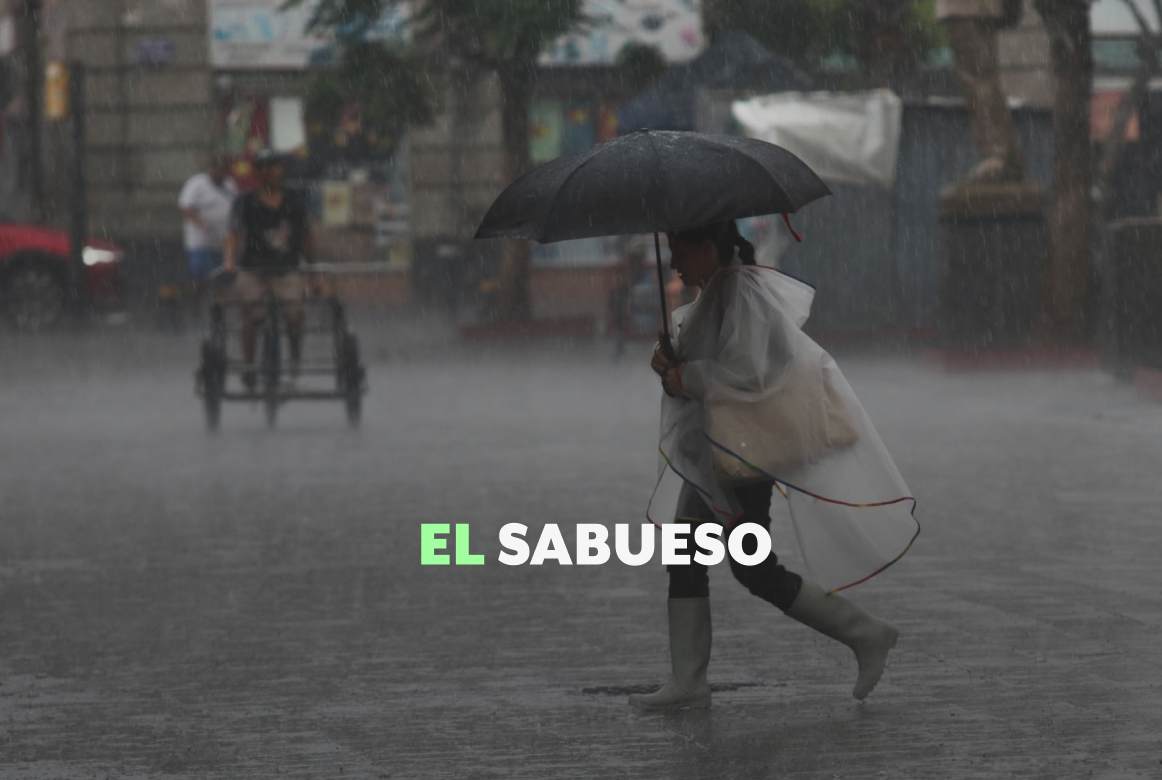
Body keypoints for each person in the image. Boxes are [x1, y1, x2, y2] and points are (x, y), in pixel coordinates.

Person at [630, 220, 919, 712]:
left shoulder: (741, 292)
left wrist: (687, 375)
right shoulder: (720, 291)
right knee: (687, 555)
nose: (674, 259)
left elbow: (748, 370)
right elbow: (719, 364)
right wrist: (672, 364)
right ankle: (688, 679)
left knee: (753, 570)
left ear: (707, 246)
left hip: (742, 452)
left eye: (680, 247)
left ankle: (866, 634)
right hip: (718, 449)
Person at [223, 150, 313, 389]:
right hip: (253, 269)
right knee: (251, 316)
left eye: (277, 167)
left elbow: (306, 236)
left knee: (295, 315)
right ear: (259, 173)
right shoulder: (244, 202)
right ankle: (250, 367)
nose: (275, 172)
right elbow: (232, 235)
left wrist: (315, 272)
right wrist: (230, 262)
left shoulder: (294, 200)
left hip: (286, 269)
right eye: (269, 167)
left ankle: (294, 361)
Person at [937, 0, 1026, 185]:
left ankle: (997, 154)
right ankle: (1005, 155)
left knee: (976, 79)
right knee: (982, 78)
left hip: (966, 8)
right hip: (977, 8)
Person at [178, 155, 238, 296]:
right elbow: (185, 207)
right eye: (217, 169)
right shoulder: (196, 184)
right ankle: (198, 291)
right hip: (200, 238)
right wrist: (200, 223)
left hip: (223, 237)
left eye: (223, 170)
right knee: (200, 267)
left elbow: (236, 205)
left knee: (220, 270)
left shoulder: (230, 184)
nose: (220, 173)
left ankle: (218, 298)